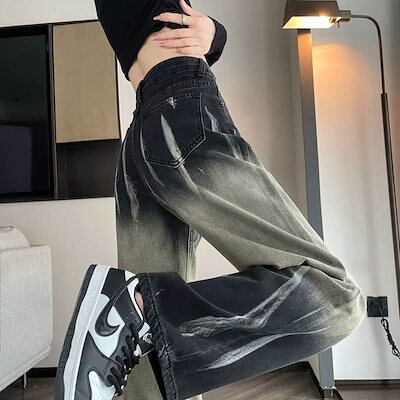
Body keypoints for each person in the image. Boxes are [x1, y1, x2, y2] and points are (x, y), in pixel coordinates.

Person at [55, 1, 367, 400]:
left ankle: (133, 312)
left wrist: (215, 35)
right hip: (180, 116)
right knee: (337, 298)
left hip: (150, 130)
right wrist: (217, 34)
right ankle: (136, 308)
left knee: (150, 368)